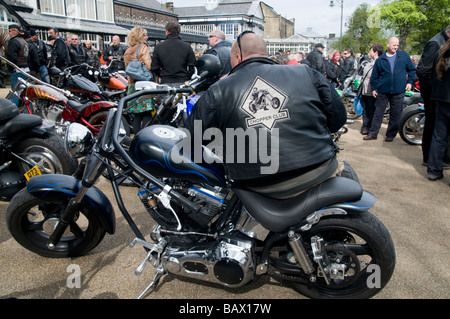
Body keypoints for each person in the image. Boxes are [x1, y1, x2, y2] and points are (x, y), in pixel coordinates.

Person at [185, 31, 347, 199]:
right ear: (266, 53)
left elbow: (194, 137)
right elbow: (338, 119)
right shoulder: (306, 73)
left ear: (238, 57)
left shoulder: (219, 89)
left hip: (258, 182)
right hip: (318, 166)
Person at [364, 37, 416, 141]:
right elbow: (375, 76)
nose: (396, 47)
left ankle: (390, 135)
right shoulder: (380, 59)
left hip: (398, 91)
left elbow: (412, 70)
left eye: (397, 45)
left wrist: (410, 82)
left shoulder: (404, 56)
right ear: (388, 44)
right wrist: (374, 88)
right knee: (378, 113)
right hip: (383, 91)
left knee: (396, 114)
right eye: (394, 45)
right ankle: (373, 133)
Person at [417, 25, 450, 166]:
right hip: (434, 94)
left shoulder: (441, 41)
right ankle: (429, 159)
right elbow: (423, 71)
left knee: (439, 131)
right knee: (433, 127)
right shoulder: (435, 43)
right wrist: (436, 91)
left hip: (438, 93)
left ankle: (438, 160)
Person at [427, 38, 450, 181]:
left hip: (442, 99)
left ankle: (433, 170)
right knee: (439, 137)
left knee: (439, 137)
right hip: (444, 98)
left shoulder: (442, 52)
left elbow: (432, 75)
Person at [123, 27, 154, 133]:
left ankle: (137, 137)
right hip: (143, 85)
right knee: (147, 113)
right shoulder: (143, 48)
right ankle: (146, 136)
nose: (147, 37)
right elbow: (149, 65)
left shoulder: (127, 51)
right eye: (145, 35)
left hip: (132, 86)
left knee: (137, 115)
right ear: (139, 36)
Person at [360, 43, 384, 135]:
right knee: (366, 109)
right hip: (365, 90)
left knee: (372, 110)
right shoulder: (369, 62)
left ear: (376, 52)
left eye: (371, 50)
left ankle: (370, 128)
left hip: (372, 91)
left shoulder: (380, 63)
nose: (369, 52)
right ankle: (365, 127)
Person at [6, 24, 29, 106]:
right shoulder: (24, 41)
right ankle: (27, 110)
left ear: (15, 31)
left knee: (14, 92)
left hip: (17, 70)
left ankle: (13, 111)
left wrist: (10, 68)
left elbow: (11, 57)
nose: (8, 33)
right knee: (25, 93)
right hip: (26, 69)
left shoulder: (13, 41)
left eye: (10, 31)